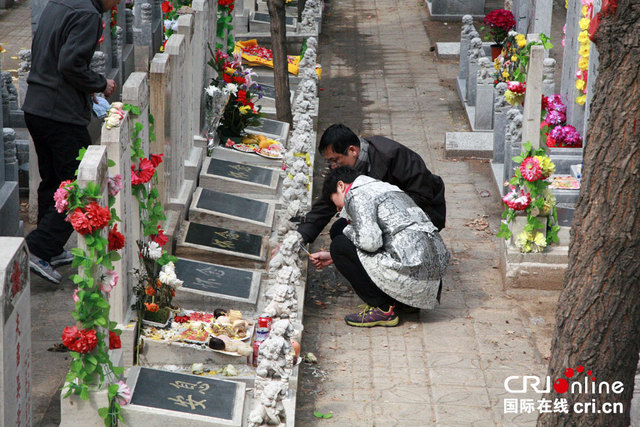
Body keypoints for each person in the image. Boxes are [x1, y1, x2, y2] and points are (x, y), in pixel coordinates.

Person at [22, 0, 117, 283]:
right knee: (78, 184)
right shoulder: (87, 15)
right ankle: (37, 249)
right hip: (60, 113)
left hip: (37, 107)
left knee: (53, 181)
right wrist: (100, 84)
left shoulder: (59, 3)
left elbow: (51, 54)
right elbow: (70, 64)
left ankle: (50, 249)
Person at [310, 167, 450, 327]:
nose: (338, 209)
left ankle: (383, 309)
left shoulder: (356, 194)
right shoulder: (383, 186)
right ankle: (405, 304)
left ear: (341, 186)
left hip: (412, 273)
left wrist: (344, 237)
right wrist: (333, 256)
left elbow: (370, 243)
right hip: (429, 279)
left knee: (340, 241)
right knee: (343, 226)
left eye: (334, 200)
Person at [296, 124, 446, 246]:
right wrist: (301, 235)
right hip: (381, 213)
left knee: (360, 238)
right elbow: (327, 202)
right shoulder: (341, 167)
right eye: (330, 161)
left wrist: (374, 212)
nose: (333, 166)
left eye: (335, 160)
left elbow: (422, 196)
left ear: (352, 150)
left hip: (419, 211)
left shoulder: (393, 155)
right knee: (339, 230)